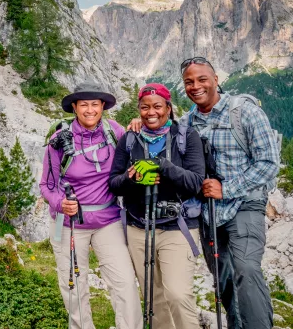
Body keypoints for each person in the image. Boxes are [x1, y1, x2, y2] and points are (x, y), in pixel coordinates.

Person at [180, 57, 279, 329]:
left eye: (202, 79)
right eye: (189, 82)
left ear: (216, 80)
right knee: (222, 277)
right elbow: (159, 129)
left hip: (245, 204)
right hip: (209, 213)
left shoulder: (245, 112)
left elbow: (269, 163)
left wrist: (226, 188)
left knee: (246, 269)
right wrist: (138, 123)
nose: (196, 86)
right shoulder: (186, 122)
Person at [39, 81, 142, 329]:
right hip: (68, 223)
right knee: (74, 287)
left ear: (103, 107)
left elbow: (137, 148)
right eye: (83, 104)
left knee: (125, 284)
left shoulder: (114, 132)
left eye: (95, 104)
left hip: (108, 220)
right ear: (74, 107)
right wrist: (60, 203)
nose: (89, 110)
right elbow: (46, 185)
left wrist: (138, 126)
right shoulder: (59, 140)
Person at [109, 83, 205, 329]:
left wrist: (163, 166)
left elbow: (195, 182)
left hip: (177, 227)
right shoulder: (129, 139)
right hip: (138, 228)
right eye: (144, 107)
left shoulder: (186, 136)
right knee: (153, 297)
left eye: (157, 106)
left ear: (169, 108)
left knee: (178, 293)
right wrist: (133, 179)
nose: (151, 112)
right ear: (138, 110)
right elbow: (114, 183)